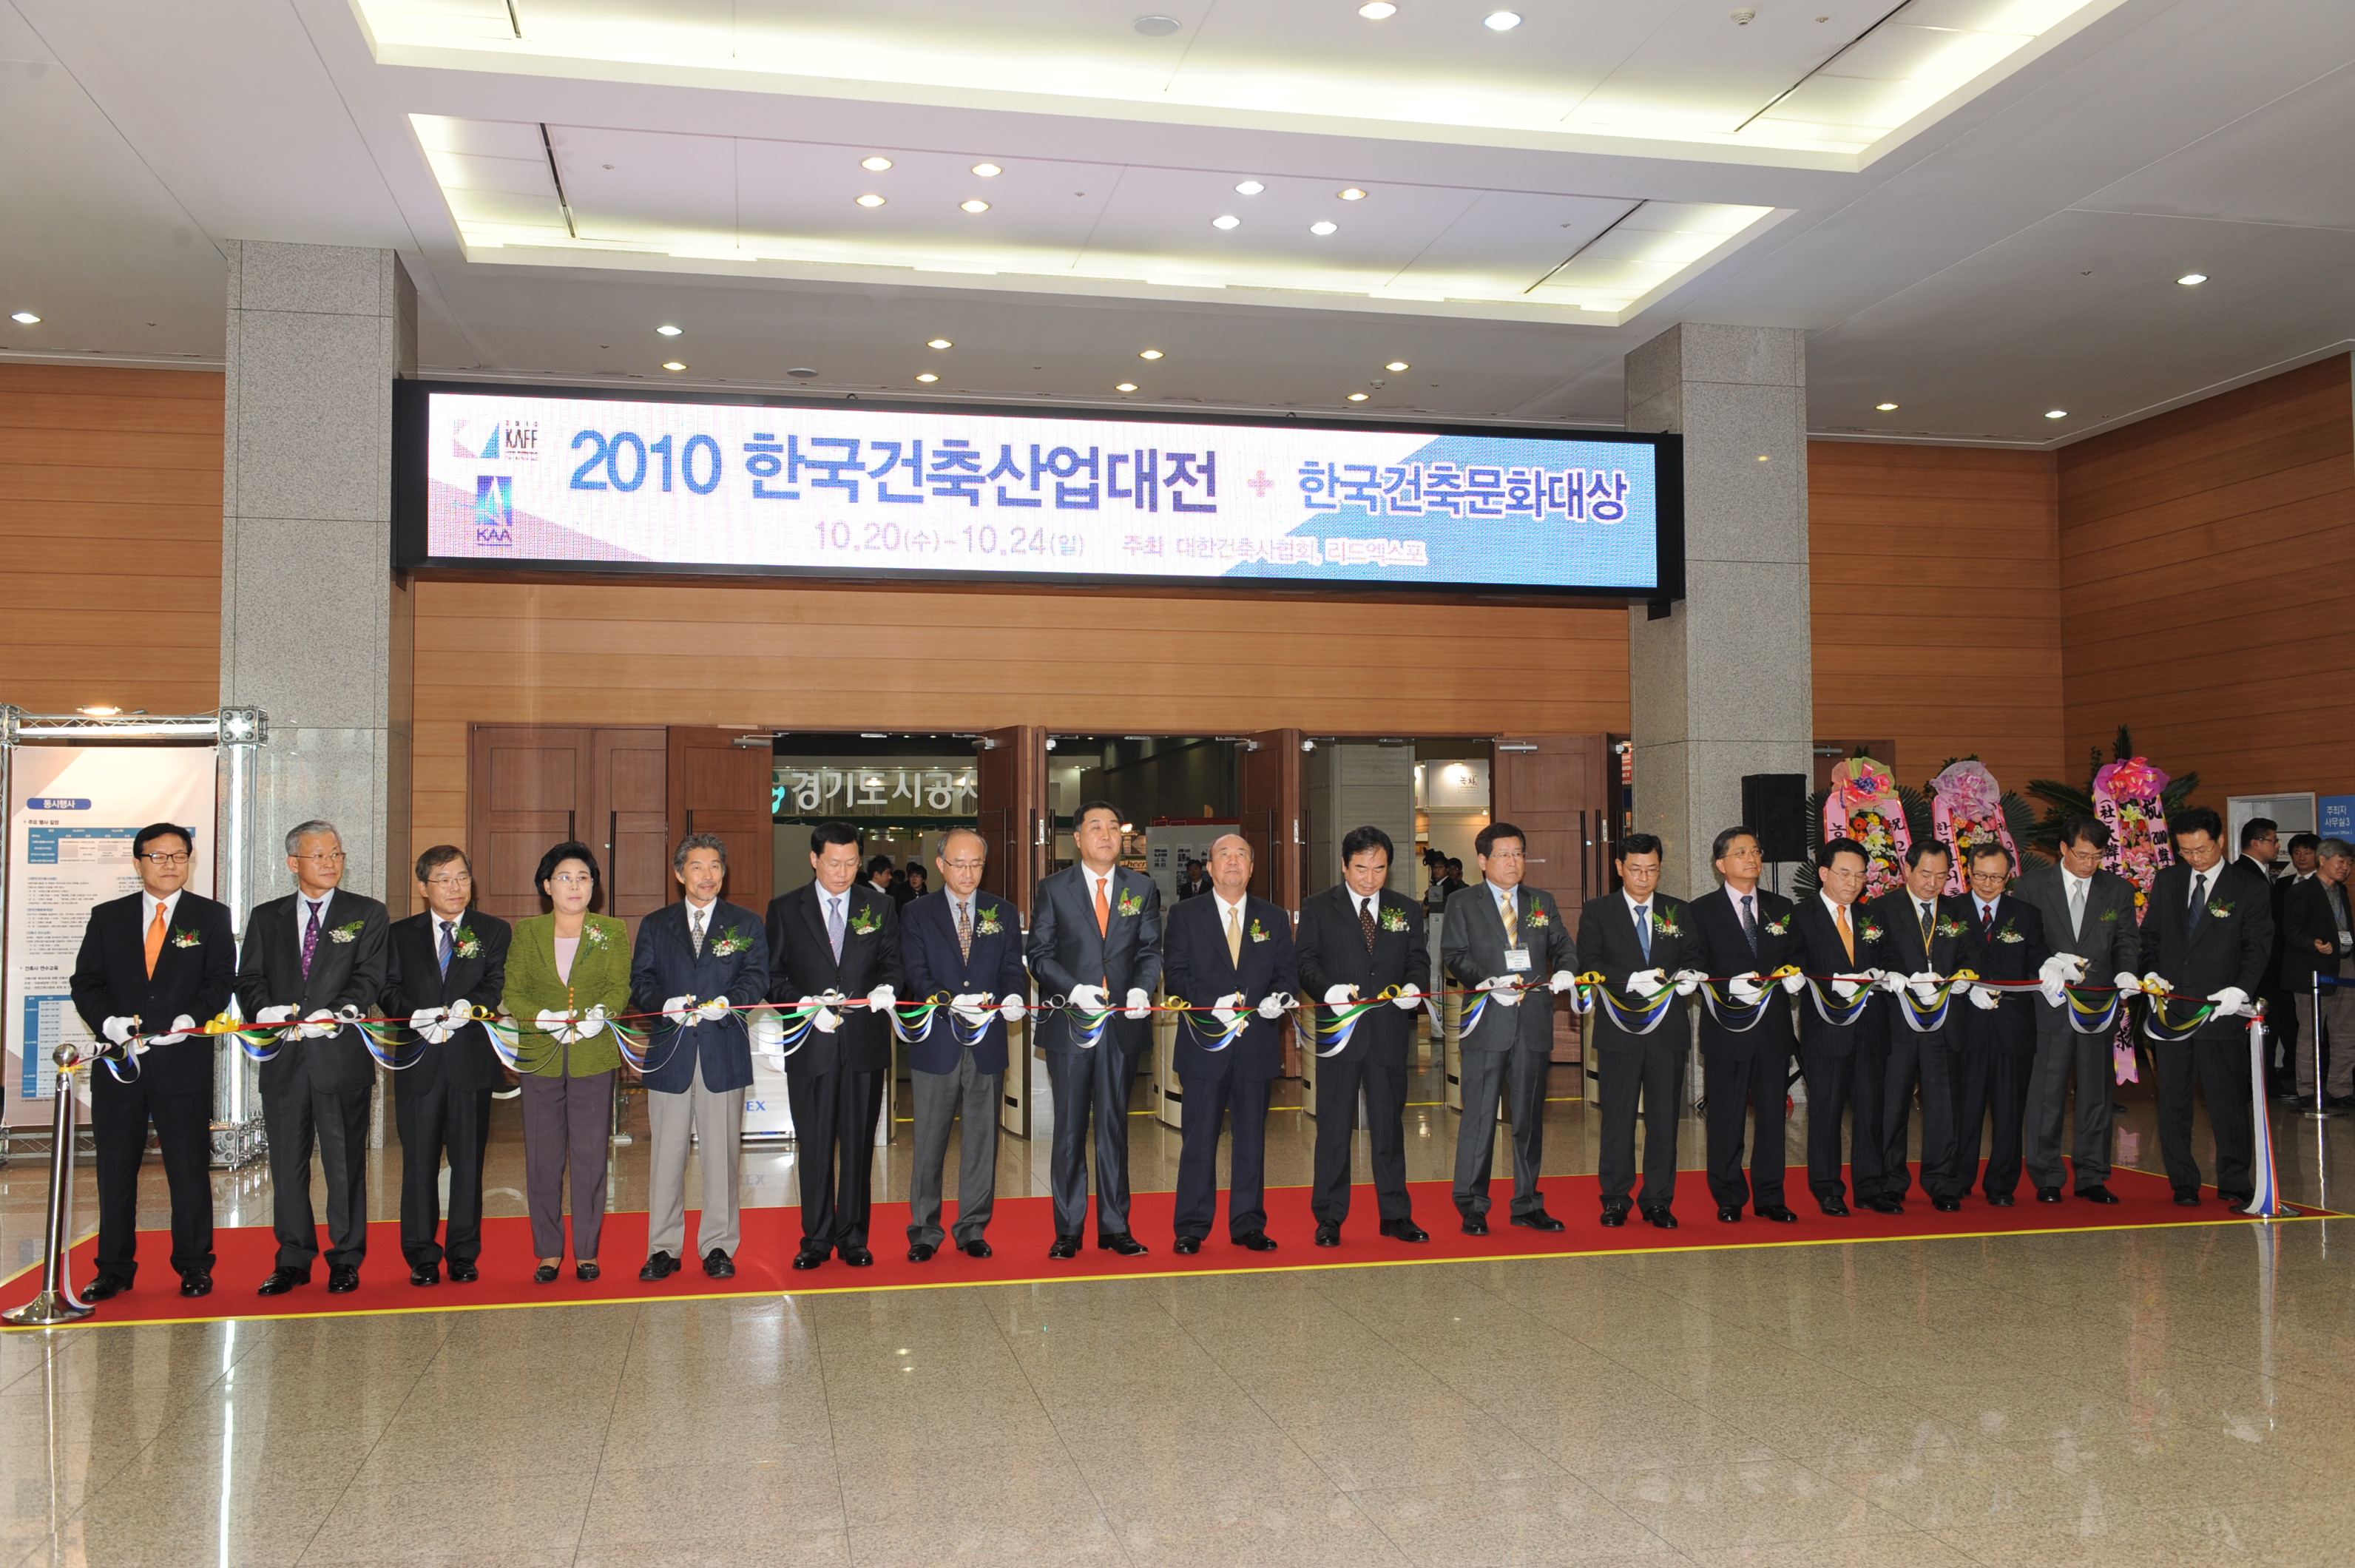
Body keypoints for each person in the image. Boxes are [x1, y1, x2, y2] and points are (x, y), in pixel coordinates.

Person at [67, 822, 234, 1301]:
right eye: (159, 857)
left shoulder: (210, 916)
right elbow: (87, 982)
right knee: (115, 1169)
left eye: (179, 856)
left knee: (188, 1169)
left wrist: (192, 1016)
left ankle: (194, 1265)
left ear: (191, 860)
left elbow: (221, 981)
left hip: (182, 1061)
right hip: (121, 1062)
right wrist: (109, 1024)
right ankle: (114, 1268)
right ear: (138, 861)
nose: (170, 865)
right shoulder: (108, 917)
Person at [235, 820, 390, 1296]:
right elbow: (249, 980)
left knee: (344, 1163)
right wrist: (267, 1010)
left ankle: (345, 1257)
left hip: (339, 1055)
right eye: (319, 855)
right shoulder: (267, 916)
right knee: (287, 1164)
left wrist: (340, 1010)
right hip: (285, 1058)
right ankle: (293, 1258)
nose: (330, 863)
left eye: (337, 854)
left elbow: (370, 977)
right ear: (293, 863)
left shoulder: (366, 912)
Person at [632, 833, 770, 1282]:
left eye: (715, 866)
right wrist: (664, 1005)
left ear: (723, 874)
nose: (707, 875)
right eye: (697, 866)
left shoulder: (745, 923)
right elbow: (641, 982)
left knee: (723, 1156)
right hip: (670, 1052)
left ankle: (718, 1245)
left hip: (721, 1049)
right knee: (666, 1157)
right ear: (679, 874)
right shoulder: (656, 924)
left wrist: (731, 1003)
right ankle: (664, 1248)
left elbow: (756, 978)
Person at [1027, 800, 1162, 1257]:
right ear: (1078, 838)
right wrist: (1074, 988)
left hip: (1122, 1023)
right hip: (1070, 1022)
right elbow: (1039, 953)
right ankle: (1067, 1229)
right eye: (1095, 828)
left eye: (1113, 828)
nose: (1106, 835)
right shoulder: (1054, 888)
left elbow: (1149, 951)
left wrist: (1143, 989)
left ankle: (1114, 1225)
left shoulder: (1140, 887)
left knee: (1113, 1127)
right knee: (1067, 1130)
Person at [768, 822, 902, 1269]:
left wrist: (887, 988)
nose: (842, 873)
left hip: (863, 1044)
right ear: (814, 860)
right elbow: (772, 977)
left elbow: (893, 965)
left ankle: (854, 1238)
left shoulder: (879, 906)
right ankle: (817, 1237)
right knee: (816, 1144)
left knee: (860, 1145)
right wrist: (802, 1005)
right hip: (811, 1044)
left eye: (850, 863)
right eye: (833, 863)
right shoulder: (787, 908)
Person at [382, 846, 512, 1286]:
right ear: (423, 887)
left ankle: (463, 1252)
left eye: (462, 877)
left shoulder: (492, 931)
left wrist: (468, 1007)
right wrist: (415, 1016)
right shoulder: (398, 934)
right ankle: (420, 1254)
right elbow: (388, 989)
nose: (456, 887)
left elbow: (495, 983)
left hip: (468, 1063)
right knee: (418, 1163)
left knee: (468, 1164)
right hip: (418, 1061)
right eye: (444, 879)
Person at [1163, 833, 1297, 1253]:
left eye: (1242, 854)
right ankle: (1191, 1226)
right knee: (1199, 1139)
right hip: (1205, 1044)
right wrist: (1210, 1002)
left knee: (1251, 1140)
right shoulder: (1186, 914)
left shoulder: (1272, 918)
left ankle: (1248, 1224)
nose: (1234, 861)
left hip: (1256, 1045)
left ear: (1252, 868)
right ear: (1210, 865)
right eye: (1225, 854)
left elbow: (1286, 974)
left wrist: (1279, 998)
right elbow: (1176, 973)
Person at [502, 841, 631, 1282]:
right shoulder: (527, 932)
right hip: (540, 1055)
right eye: (564, 877)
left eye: (583, 878)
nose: (574, 885)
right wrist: (539, 1016)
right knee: (543, 1157)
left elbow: (619, 988)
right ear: (546, 885)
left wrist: (602, 1015)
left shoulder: (611, 930)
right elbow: (511, 992)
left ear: (593, 886)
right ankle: (548, 1249)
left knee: (592, 1156)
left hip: (593, 1057)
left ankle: (588, 1250)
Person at [1442, 821, 1578, 1234]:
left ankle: (1527, 1203)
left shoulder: (1542, 901)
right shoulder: (1464, 902)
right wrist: (1485, 983)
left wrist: (1569, 971)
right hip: (1488, 1020)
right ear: (1483, 861)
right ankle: (1472, 1204)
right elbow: (1454, 954)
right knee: (1480, 1116)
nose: (1513, 861)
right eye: (1503, 854)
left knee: (1529, 1118)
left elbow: (1563, 946)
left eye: (1518, 853)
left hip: (1533, 1022)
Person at [1296, 825, 1429, 1246]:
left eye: (1379, 869)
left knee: (1389, 1128)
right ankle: (1330, 1217)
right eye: (1360, 869)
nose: (1369, 878)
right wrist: (1326, 990)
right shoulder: (1319, 907)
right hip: (1341, 1032)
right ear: (1344, 865)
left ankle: (1395, 1214)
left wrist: (1414, 987)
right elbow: (1305, 961)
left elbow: (1418, 959)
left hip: (1388, 1033)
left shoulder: (1405, 909)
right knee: (1334, 1127)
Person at [899, 826, 1027, 1261]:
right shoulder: (917, 914)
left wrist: (1013, 996)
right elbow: (915, 973)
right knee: (930, 1140)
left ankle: (972, 1226)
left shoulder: (1002, 912)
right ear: (941, 865)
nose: (968, 872)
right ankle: (924, 1229)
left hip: (988, 1042)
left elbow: (1013, 966)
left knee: (981, 1139)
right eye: (959, 864)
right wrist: (951, 1000)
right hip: (937, 1042)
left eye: (976, 864)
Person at [2134, 805, 2272, 1207]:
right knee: (2174, 1100)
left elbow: (2257, 947)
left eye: (2203, 850)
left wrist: (2240, 991)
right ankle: (2184, 1181)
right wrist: (2152, 973)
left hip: (2220, 1011)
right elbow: (2152, 937)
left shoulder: (2248, 887)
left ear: (2220, 841)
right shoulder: (2170, 881)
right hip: (2173, 1011)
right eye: (2187, 851)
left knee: (2226, 1099)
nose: (2196, 858)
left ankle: (2234, 1179)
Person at [2013, 814, 2140, 1204]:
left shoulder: (2117, 889)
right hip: (2049, 1005)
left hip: (2099, 1004)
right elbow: (2021, 942)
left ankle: (2092, 1174)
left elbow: (2126, 939)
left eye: (2097, 856)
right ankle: (2047, 1174)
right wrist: (2047, 965)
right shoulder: (2032, 886)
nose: (2089, 864)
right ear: (2063, 849)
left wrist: (2127, 974)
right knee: (2047, 1091)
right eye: (2081, 855)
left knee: (2096, 1093)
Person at [1684, 826, 1801, 1225]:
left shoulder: (1781, 907)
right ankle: (1729, 1195)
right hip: (1727, 1028)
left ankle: (1771, 1196)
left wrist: (1795, 974)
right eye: (1740, 852)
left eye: (1755, 851)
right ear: (1721, 865)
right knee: (1727, 1118)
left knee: (1772, 1116)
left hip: (1772, 1030)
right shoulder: (1700, 910)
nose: (1751, 858)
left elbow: (1796, 956)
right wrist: (1723, 984)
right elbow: (1694, 965)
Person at [1578, 832, 1695, 1229]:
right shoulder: (1598, 911)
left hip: (1668, 1032)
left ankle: (1658, 1199)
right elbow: (1588, 963)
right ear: (1619, 868)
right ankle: (1615, 1198)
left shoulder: (1678, 911)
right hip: (1619, 1030)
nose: (1644, 878)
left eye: (1652, 870)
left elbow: (1695, 957)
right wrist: (1630, 979)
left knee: (1664, 1120)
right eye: (1635, 870)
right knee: (1619, 1118)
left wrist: (1692, 975)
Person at [1868, 842, 1985, 1212]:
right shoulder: (1882, 908)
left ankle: (1942, 1182)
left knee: (1943, 1106)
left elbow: (1973, 954)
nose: (1933, 883)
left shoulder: (1957, 911)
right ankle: (1890, 1181)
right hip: (1898, 1021)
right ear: (1907, 870)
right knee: (1892, 1104)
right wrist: (1898, 975)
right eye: (1925, 874)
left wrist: (1964, 977)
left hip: (1944, 1021)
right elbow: (1875, 954)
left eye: (1941, 875)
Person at [1793, 837, 1890, 1216]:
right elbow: (1795, 965)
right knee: (1827, 1112)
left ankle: (1870, 1186)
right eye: (1844, 874)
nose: (1852, 883)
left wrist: (1886, 973)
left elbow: (1889, 957)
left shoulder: (1872, 917)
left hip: (1871, 1028)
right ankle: (1828, 1188)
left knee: (1870, 1112)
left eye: (1860, 876)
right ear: (1824, 873)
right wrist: (1831, 980)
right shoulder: (1802, 916)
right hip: (1826, 1030)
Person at [1950, 845, 2047, 1206]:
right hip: (1966, 1022)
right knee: (1965, 1108)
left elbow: (2036, 956)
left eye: (1997, 877)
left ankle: (2002, 1184)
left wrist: (2054, 966)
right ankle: (1958, 1178)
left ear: (2009, 877)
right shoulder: (1952, 911)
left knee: (2009, 1110)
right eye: (1980, 876)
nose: (1988, 884)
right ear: (1968, 872)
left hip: (2013, 1025)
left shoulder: (2026, 915)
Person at [2282, 837, 2355, 1112]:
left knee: (2347, 1031)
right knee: (2311, 1033)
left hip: (2344, 966)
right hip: (2313, 971)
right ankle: (2309, 1090)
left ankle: (2340, 1088)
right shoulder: (2302, 891)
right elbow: (2292, 930)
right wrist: (2313, 943)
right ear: (2323, 860)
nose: (2346, 867)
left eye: (2349, 863)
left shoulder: (2342, 891)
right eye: (2341, 861)